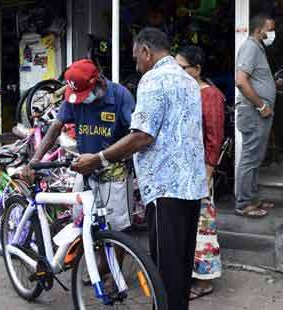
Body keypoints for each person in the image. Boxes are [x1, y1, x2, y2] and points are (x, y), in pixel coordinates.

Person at [71, 28, 207, 310]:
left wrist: (97, 159)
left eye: (136, 58)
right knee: (181, 266)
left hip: (165, 188)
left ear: (146, 52)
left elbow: (142, 135)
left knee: (164, 272)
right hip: (192, 186)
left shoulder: (153, 80)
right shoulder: (189, 80)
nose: (136, 64)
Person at [21, 59, 135, 232]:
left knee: (116, 229)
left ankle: (110, 260)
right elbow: (55, 128)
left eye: (85, 94)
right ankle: (85, 257)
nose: (82, 100)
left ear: (99, 82)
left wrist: (102, 158)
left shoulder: (121, 97)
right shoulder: (74, 96)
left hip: (114, 173)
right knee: (80, 222)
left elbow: (135, 136)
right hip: (85, 171)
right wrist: (35, 160)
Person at [176, 45, 224, 300]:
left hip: (199, 170)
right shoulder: (184, 90)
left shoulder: (210, 95)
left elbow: (214, 137)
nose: (178, 71)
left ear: (197, 69)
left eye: (182, 67)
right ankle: (191, 273)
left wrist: (207, 172)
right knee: (188, 224)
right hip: (182, 170)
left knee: (203, 226)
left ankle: (204, 280)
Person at [235, 13, 277, 218]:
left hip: (257, 112)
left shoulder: (257, 48)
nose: (272, 34)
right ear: (259, 29)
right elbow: (241, 80)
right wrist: (261, 105)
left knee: (255, 157)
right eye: (270, 29)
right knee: (250, 158)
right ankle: (243, 203)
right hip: (254, 112)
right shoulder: (251, 47)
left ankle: (252, 198)